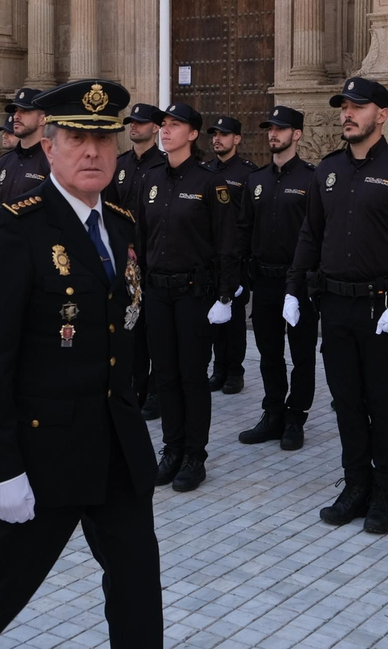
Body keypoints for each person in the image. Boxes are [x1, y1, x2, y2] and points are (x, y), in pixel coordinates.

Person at [0, 79, 162, 649]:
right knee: (4, 585)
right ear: (49, 146)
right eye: (77, 137)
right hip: (44, 454)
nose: (92, 152)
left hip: (117, 450)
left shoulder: (121, 222)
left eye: (104, 139)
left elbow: (120, 333)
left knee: (137, 586)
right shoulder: (14, 227)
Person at [287, 77, 388, 535]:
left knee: (381, 402)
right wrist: (294, 288)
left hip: (380, 308)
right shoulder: (327, 170)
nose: (347, 114)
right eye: (344, 107)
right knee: (345, 402)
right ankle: (355, 486)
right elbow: (311, 233)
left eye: (358, 106)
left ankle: (384, 495)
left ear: (382, 115)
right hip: (334, 305)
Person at [135, 103, 239, 493]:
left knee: (192, 377)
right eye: (163, 124)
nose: (165, 130)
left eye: (174, 125)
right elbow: (141, 240)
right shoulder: (152, 179)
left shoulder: (210, 183)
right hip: (158, 292)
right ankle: (171, 449)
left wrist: (226, 296)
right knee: (165, 376)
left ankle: (195, 455)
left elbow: (228, 243)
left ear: (193, 134)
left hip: (195, 294)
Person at [235, 106, 318, 451]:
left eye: (281, 129)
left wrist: (305, 283)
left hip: (298, 282)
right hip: (265, 281)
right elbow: (243, 230)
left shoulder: (312, 180)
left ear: (296, 134)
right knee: (269, 351)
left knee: (302, 354)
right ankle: (272, 413)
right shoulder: (256, 180)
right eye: (270, 128)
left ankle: (295, 417)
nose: (273, 134)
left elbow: (318, 234)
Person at [104, 102, 167, 420]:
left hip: (153, 258)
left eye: (141, 123)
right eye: (131, 122)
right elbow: (109, 208)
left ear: (156, 128)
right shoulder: (120, 164)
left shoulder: (164, 166)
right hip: (123, 259)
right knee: (130, 327)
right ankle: (134, 386)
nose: (134, 127)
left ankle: (155, 391)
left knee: (154, 331)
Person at [204, 115, 257, 394]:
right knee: (212, 318)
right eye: (214, 134)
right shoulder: (204, 171)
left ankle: (234, 371)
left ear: (236, 139)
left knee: (234, 318)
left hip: (235, 258)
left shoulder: (248, 174)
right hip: (209, 257)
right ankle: (218, 369)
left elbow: (252, 218)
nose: (217, 139)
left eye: (224, 134)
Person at [0, 87, 50, 214]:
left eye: (25, 111)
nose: (16, 116)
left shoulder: (52, 163)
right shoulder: (3, 163)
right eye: (16, 111)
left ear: (42, 119)